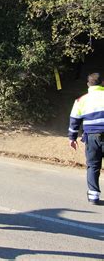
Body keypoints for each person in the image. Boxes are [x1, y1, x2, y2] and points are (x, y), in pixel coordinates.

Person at [68, 72, 104, 205]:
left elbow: (74, 121)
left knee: (93, 166)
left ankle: (93, 196)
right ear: (102, 83)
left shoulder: (81, 100)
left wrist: (72, 138)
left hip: (92, 137)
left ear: (88, 85)